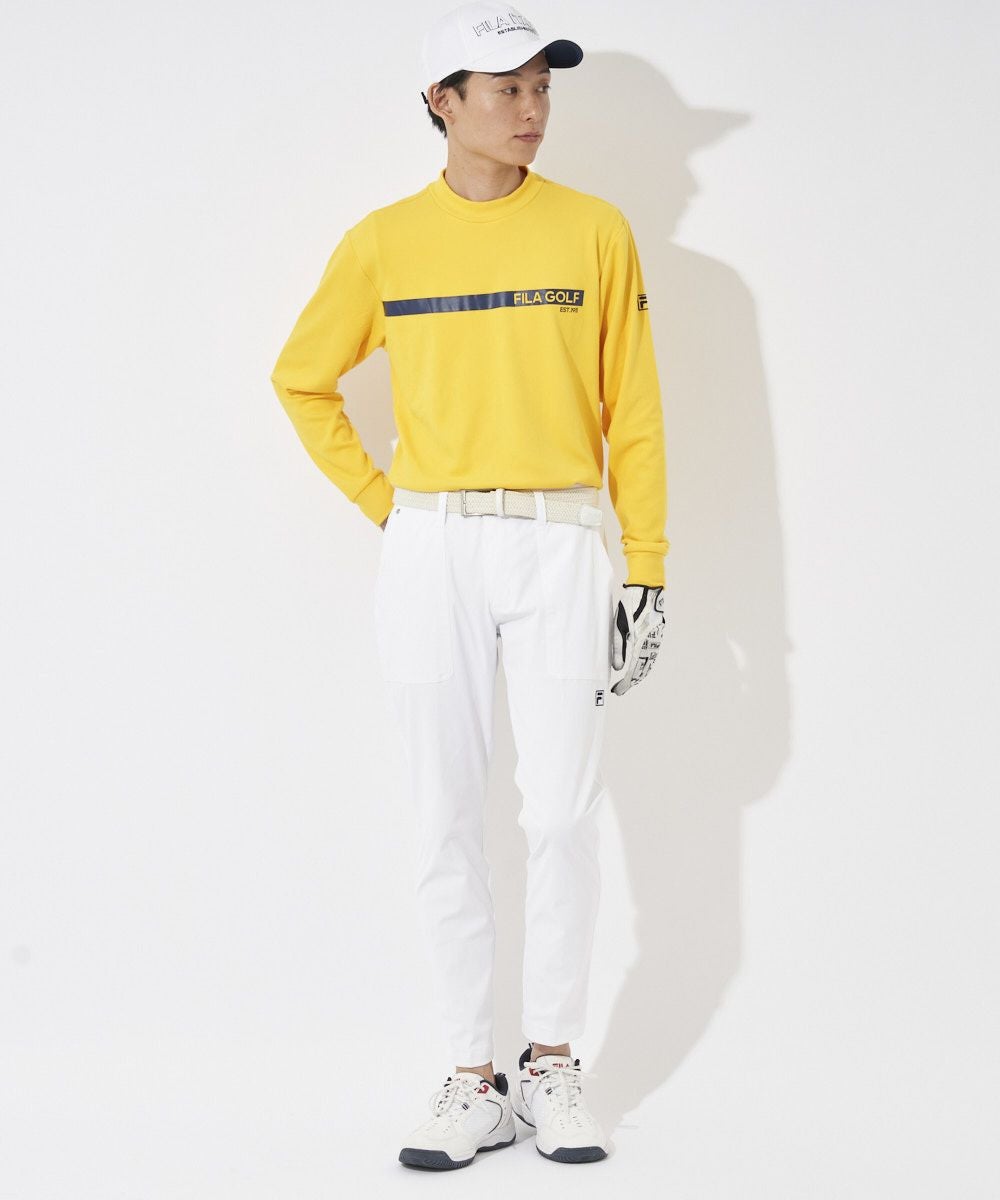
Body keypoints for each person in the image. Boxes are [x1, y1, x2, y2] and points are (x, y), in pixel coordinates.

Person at [269, 0, 668, 1171]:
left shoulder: (594, 231)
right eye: (505, 90)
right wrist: (387, 504)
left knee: (560, 813)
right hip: (432, 547)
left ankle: (552, 1064)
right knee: (441, 812)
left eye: (542, 87)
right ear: (442, 102)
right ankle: (468, 1075)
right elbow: (301, 379)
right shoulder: (385, 242)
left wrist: (645, 565)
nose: (531, 108)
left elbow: (635, 413)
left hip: (561, 540)